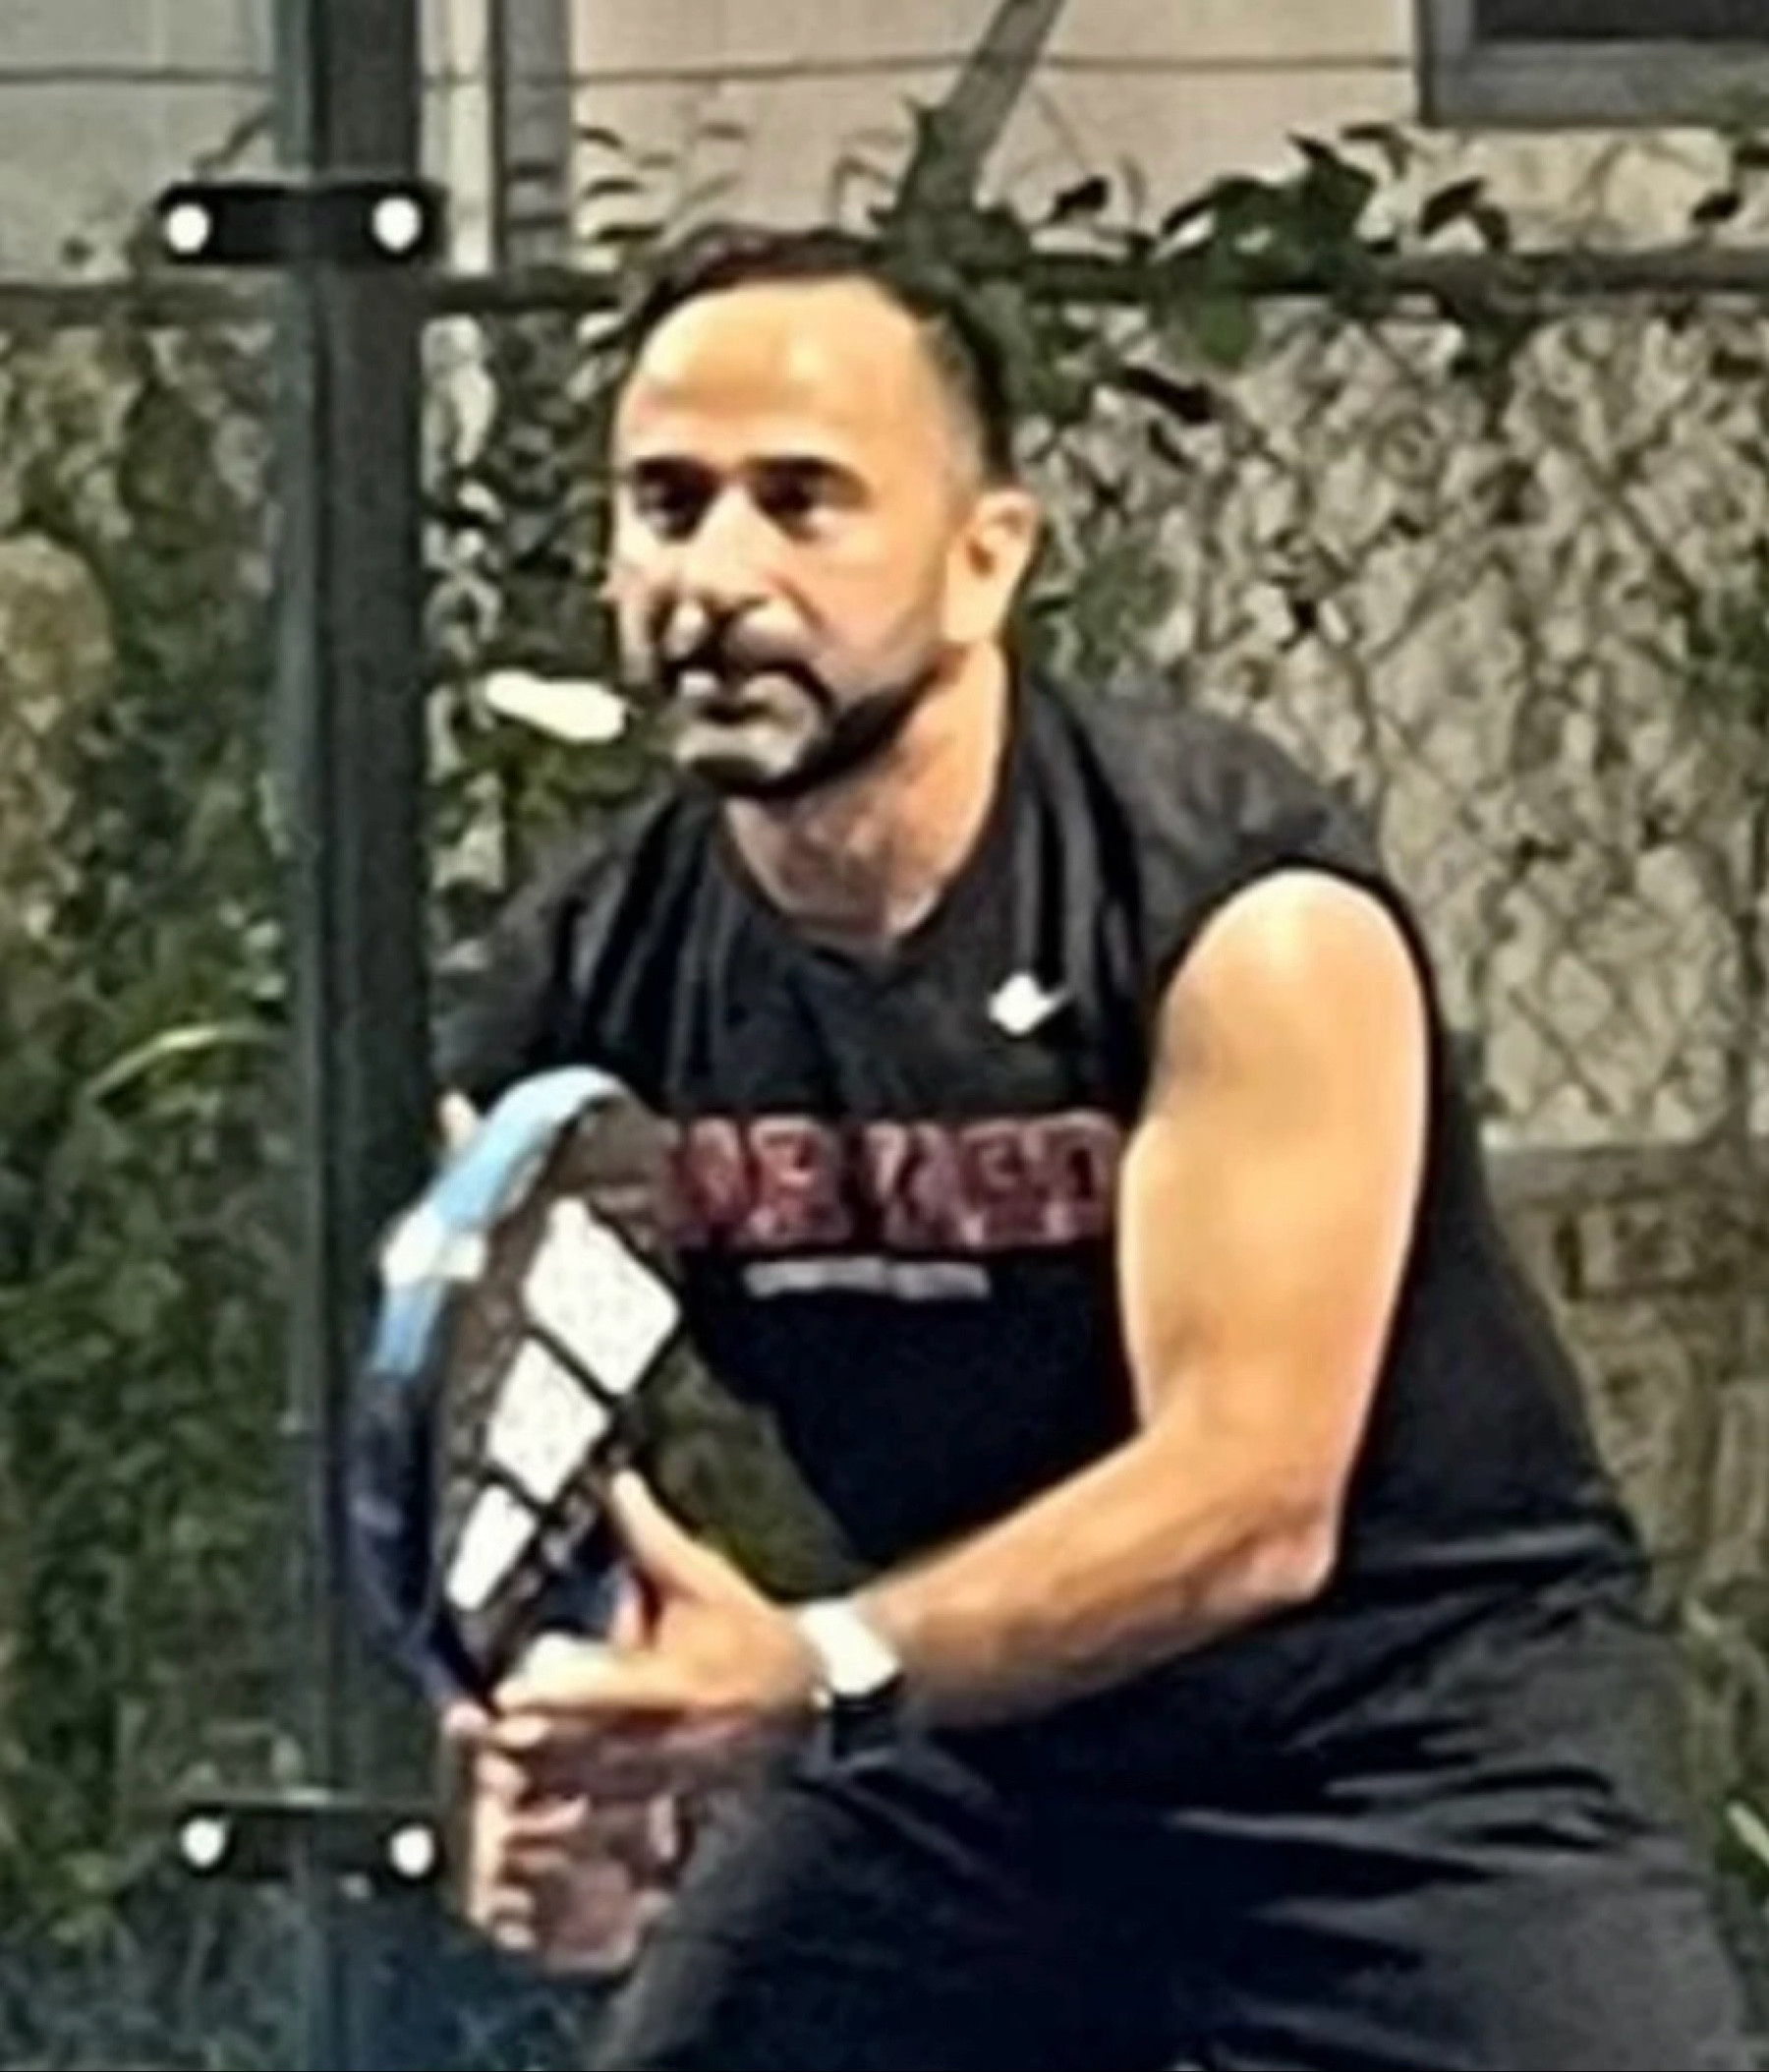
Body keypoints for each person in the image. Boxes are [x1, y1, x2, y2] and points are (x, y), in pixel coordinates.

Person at [431, 223, 1757, 2069]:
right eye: (668, 505)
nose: (716, 577)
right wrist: (569, 1763)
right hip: (961, 1760)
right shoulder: (584, 983)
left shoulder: (1236, 913)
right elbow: (515, 1451)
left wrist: (813, 1670)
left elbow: (1250, 1502)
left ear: (987, 559)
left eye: (803, 501)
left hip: (1409, 1745)